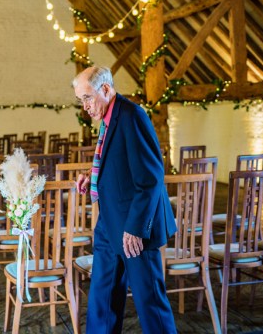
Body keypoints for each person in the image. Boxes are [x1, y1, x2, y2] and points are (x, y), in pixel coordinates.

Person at [72, 66, 177, 334]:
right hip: (109, 223)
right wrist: (92, 177)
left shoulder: (132, 116)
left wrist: (135, 228)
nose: (84, 106)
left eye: (87, 97)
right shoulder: (108, 116)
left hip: (135, 227)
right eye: (80, 99)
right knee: (102, 299)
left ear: (105, 89)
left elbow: (150, 178)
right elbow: (119, 165)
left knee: (149, 301)